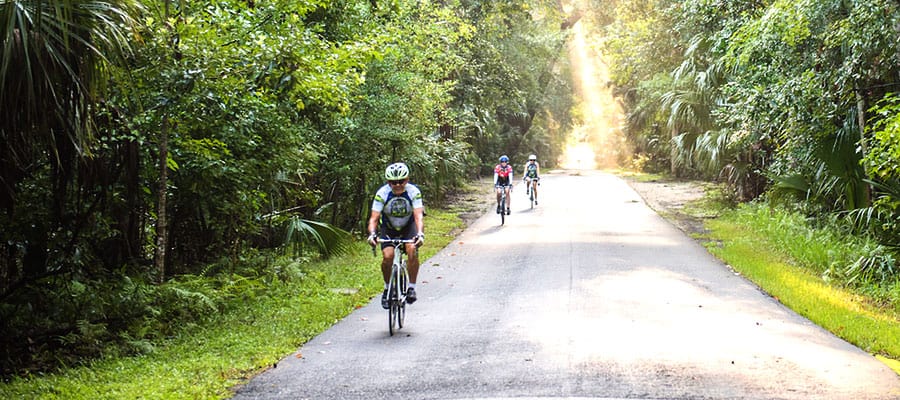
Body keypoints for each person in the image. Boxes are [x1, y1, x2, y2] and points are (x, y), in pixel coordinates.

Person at [367, 162, 425, 309]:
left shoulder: (413, 192)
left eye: (401, 181)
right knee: (387, 257)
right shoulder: (382, 194)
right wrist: (372, 234)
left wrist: (420, 234)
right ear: (388, 182)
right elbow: (374, 218)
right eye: (393, 182)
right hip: (389, 228)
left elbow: (418, 216)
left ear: (407, 180)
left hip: (408, 226)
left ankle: (411, 287)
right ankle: (387, 289)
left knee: (412, 250)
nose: (398, 185)